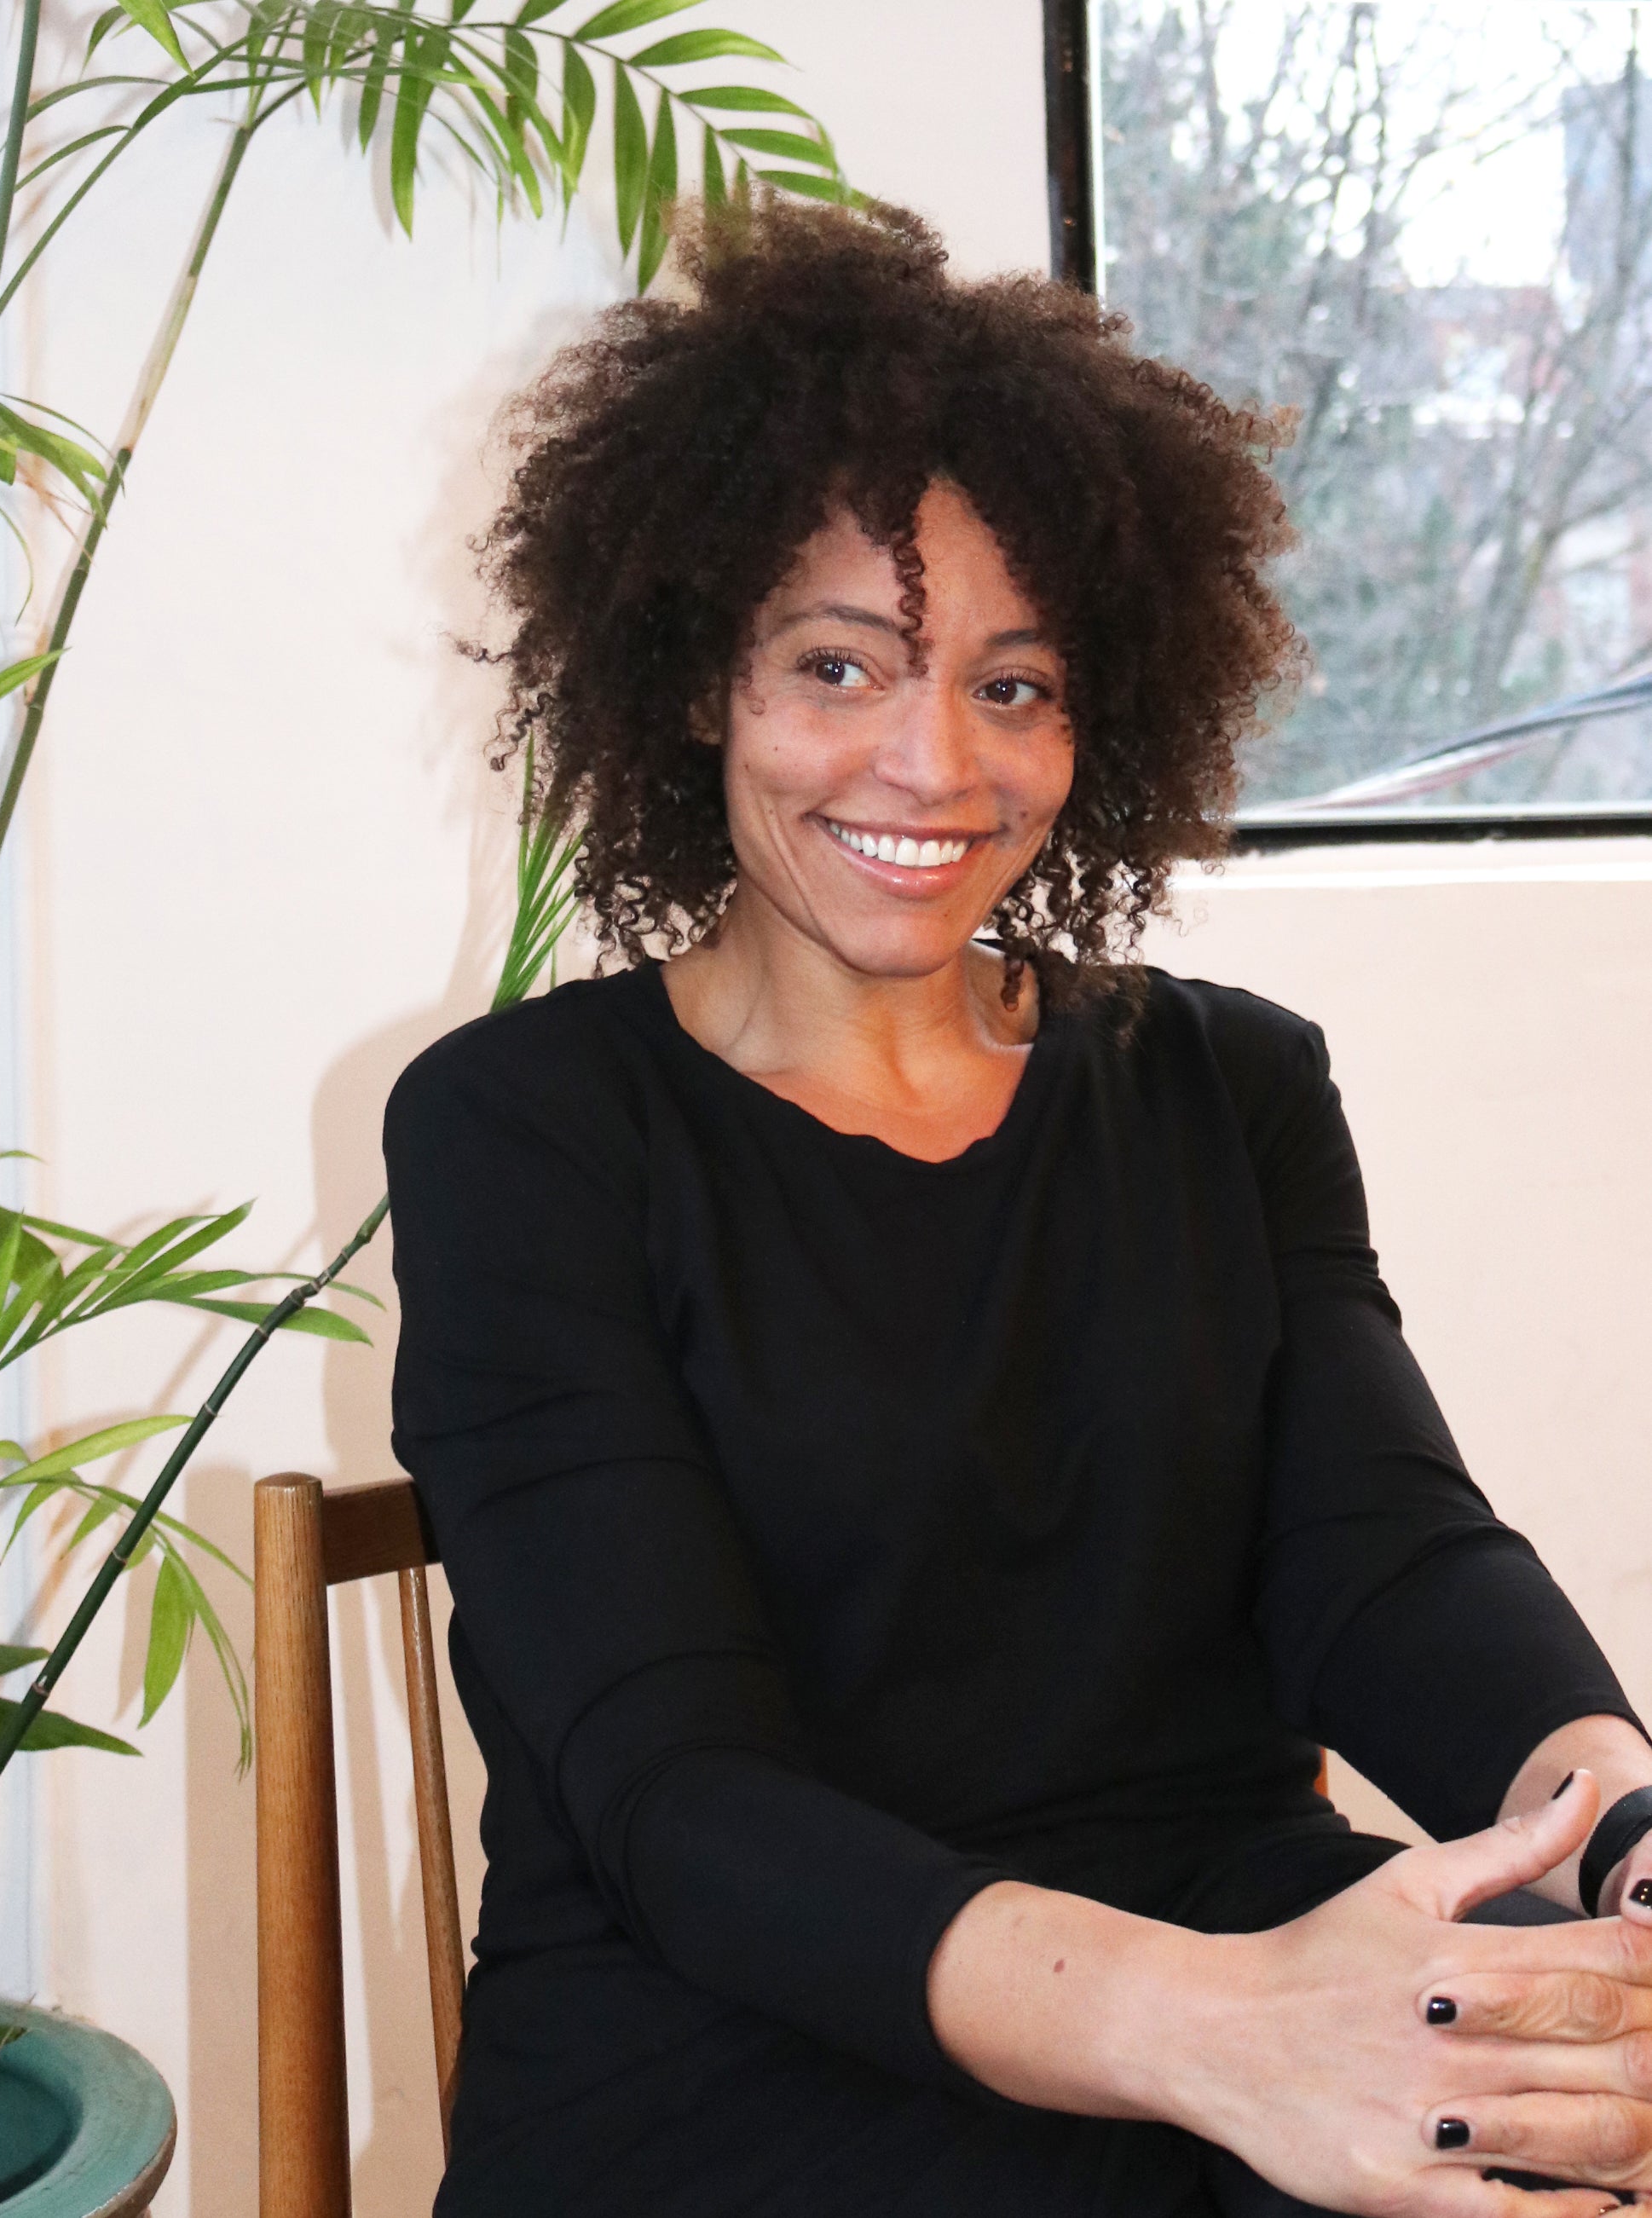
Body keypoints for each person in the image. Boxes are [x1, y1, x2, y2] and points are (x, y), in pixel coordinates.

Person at [383, 199, 1652, 2218]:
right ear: (693, 677)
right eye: (837, 662)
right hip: (735, 2045)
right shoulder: (523, 1131)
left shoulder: (1231, 1085)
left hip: (1237, 1953)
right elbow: (678, 1797)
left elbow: (1384, 1559)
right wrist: (1223, 2032)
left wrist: (1614, 1820)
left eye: (1016, 682)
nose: (933, 760)